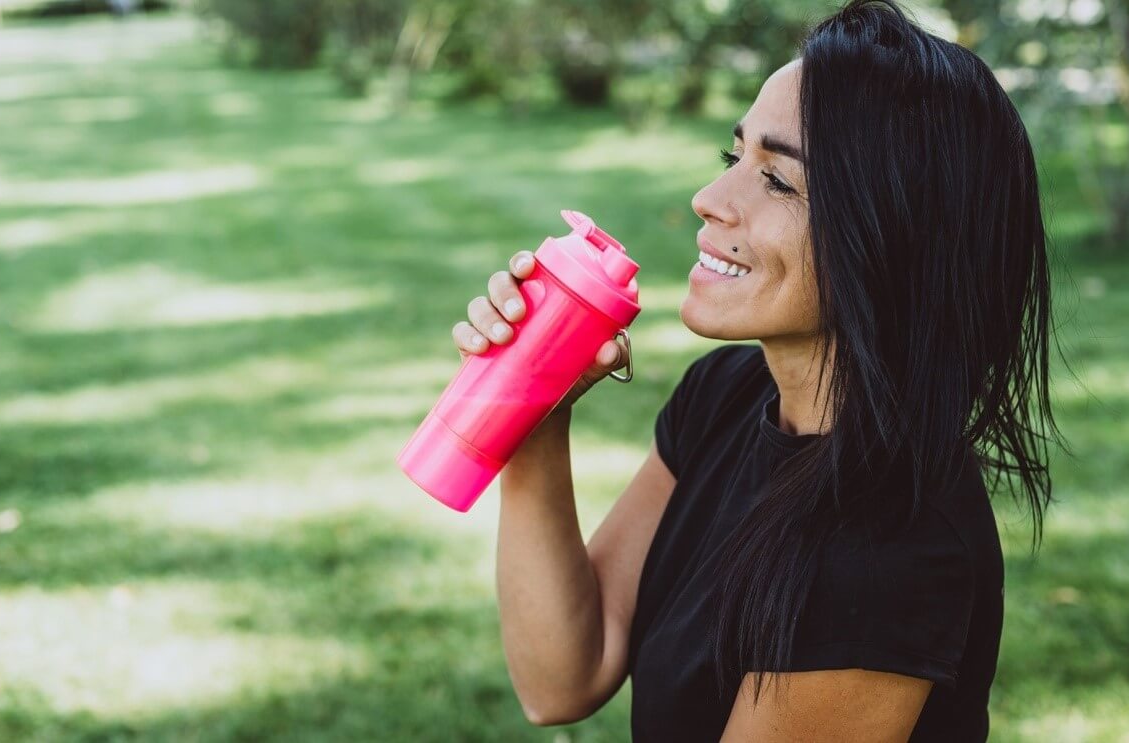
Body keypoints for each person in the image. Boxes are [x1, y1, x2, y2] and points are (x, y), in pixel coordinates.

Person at [451, 1, 1067, 740]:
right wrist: (535, 417)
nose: (710, 201)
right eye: (732, 157)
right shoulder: (726, 394)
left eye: (777, 181)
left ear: (892, 237)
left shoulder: (885, 555)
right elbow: (564, 677)